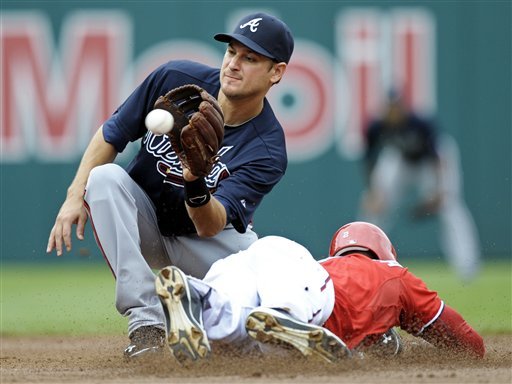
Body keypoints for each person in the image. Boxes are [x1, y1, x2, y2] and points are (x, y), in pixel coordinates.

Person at [46, 12, 295, 358]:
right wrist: (74, 196)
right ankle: (147, 322)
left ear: (276, 72)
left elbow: (211, 225)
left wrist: (194, 179)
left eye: (250, 58)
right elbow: (110, 134)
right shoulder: (176, 80)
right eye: (232, 52)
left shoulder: (267, 149)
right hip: (145, 220)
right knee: (102, 178)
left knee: (259, 309)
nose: (234, 64)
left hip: (209, 245)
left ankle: (200, 313)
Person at [154, 221, 484, 365]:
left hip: (242, 268)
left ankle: (197, 298)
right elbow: (469, 343)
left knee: (233, 323)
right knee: (281, 313)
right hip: (290, 275)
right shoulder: (395, 275)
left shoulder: (324, 263)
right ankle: (283, 317)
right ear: (384, 253)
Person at [359, 91, 481, 282]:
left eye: (396, 107)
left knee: (450, 207)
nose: (393, 112)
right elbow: (369, 159)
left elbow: (437, 157)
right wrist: (373, 191)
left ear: (403, 107)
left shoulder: (419, 123)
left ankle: (467, 265)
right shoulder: (377, 126)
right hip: (400, 160)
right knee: (374, 207)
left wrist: (440, 190)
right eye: (389, 107)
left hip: (432, 163)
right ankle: (361, 261)